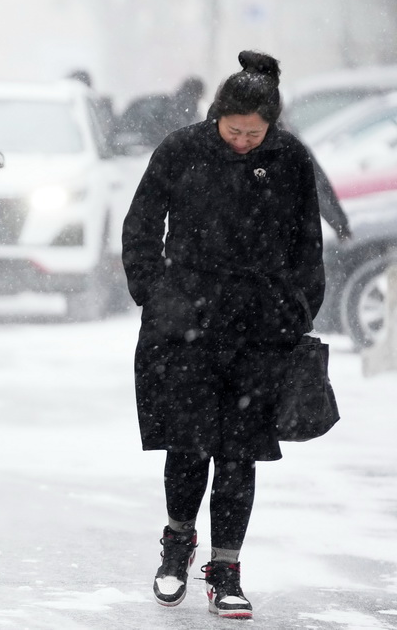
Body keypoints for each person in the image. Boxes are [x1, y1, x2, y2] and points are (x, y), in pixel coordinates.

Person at [121, 50, 324, 619]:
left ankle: (228, 569)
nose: (242, 140)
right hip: (185, 322)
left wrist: (299, 307)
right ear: (217, 117)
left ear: (271, 125)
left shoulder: (289, 159)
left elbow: (308, 241)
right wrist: (155, 294)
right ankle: (176, 545)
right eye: (233, 130)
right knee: (187, 444)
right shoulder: (181, 149)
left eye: (253, 133)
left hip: (258, 325)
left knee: (240, 454)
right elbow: (140, 224)